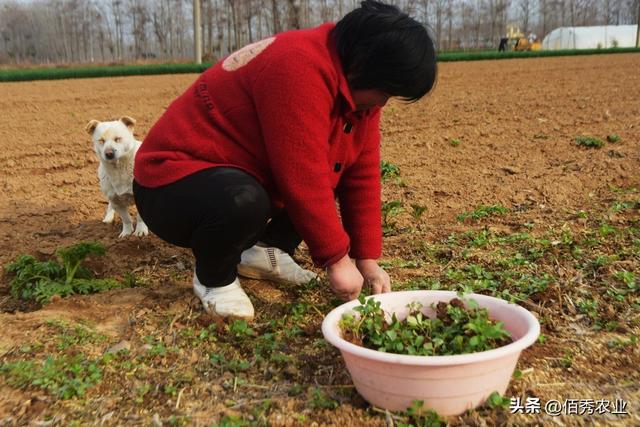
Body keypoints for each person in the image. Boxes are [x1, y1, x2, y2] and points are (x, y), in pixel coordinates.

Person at [133, 0, 437, 320]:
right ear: (362, 64)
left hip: (228, 173)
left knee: (331, 163)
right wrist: (337, 260)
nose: (383, 103)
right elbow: (301, 175)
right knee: (244, 200)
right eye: (385, 92)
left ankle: (265, 251)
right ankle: (214, 279)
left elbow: (360, 171)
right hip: (169, 185)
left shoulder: (359, 93)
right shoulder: (298, 65)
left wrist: (366, 259)